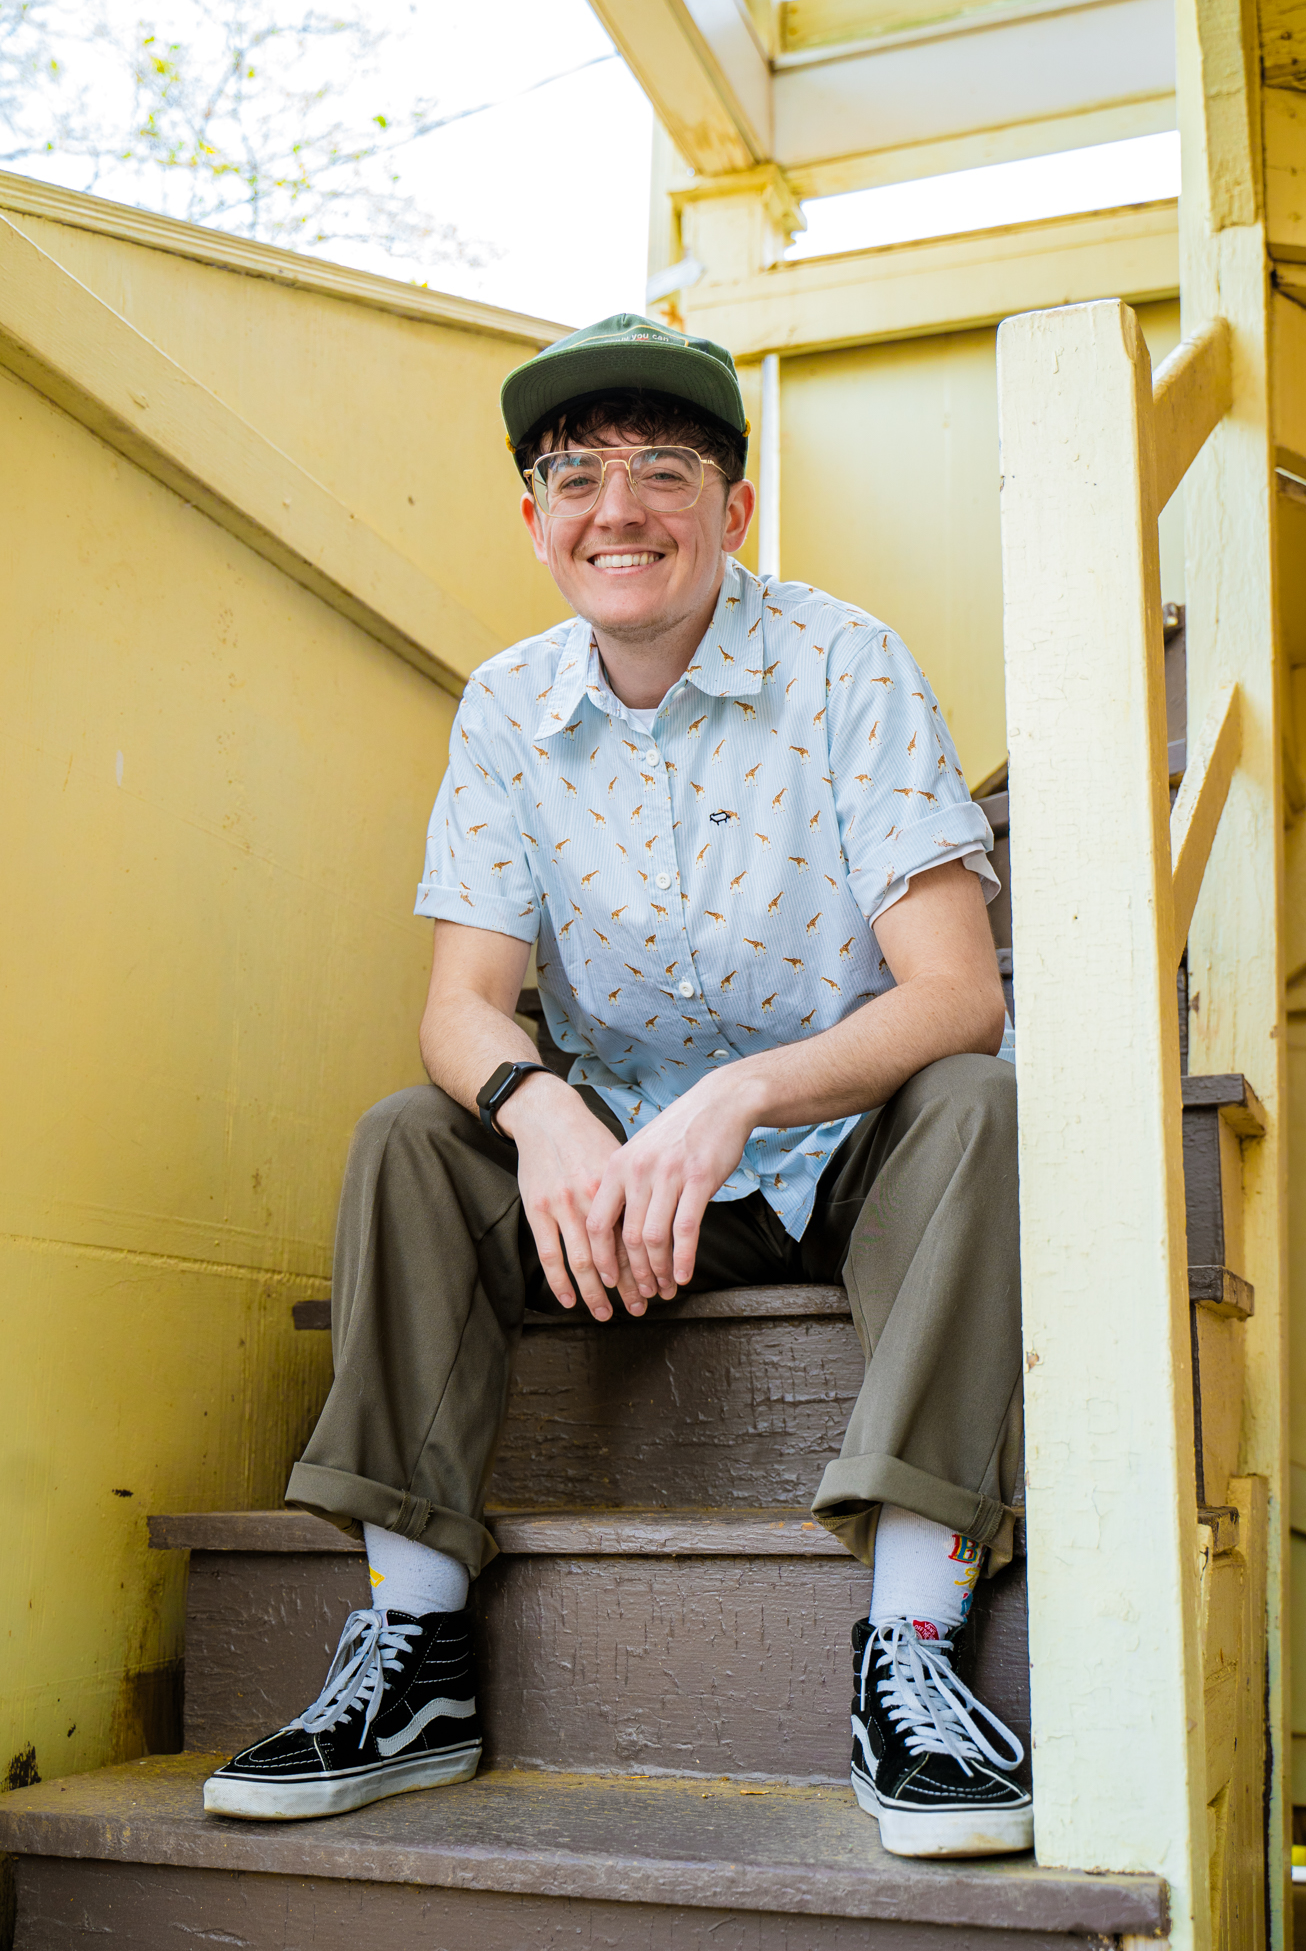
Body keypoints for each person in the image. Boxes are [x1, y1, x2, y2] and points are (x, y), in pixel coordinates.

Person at [202, 313, 1029, 1860]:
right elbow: (461, 1005)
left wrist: (738, 1098)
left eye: (663, 469)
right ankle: (416, 1656)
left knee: (982, 1105)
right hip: (612, 1192)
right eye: (576, 476)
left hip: (843, 1155)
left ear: (735, 506)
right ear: (535, 522)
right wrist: (540, 1109)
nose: (618, 509)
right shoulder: (507, 707)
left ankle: (910, 1650)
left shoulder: (844, 662)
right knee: (410, 1139)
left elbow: (955, 994)